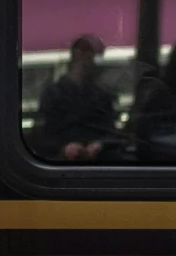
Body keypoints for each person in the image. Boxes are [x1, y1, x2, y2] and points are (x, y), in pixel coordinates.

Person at [29, 33, 120, 163]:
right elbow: (40, 134)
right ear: (74, 56)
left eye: (90, 54)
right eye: (83, 53)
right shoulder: (53, 93)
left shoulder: (102, 95)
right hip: (60, 163)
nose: (86, 59)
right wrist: (65, 148)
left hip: (99, 161)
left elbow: (112, 131)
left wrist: (100, 145)